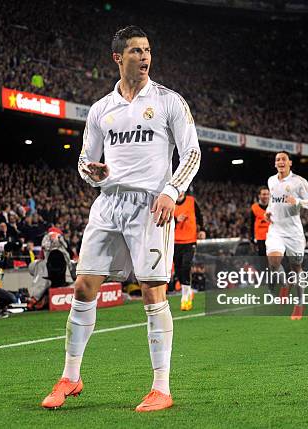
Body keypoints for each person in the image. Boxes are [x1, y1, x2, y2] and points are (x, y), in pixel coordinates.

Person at [41, 26, 201, 413]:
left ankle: (161, 387)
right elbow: (84, 160)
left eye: (147, 50)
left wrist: (171, 191)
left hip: (150, 205)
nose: (144, 57)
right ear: (118, 57)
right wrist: (90, 173)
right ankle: (71, 376)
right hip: (108, 203)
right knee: (82, 287)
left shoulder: (169, 102)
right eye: (135, 51)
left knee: (152, 291)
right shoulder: (101, 109)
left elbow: (191, 153)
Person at [264, 151, 308, 320]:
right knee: (274, 262)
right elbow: (273, 201)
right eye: (277, 159)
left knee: (296, 268)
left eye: (283, 159)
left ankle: (299, 305)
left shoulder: (299, 182)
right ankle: (285, 284)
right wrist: (268, 211)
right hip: (276, 229)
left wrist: (298, 201)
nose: (280, 162)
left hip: (294, 233)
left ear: (290, 163)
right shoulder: (271, 180)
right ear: (275, 164)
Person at [172, 191, 204, 311]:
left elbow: (200, 216)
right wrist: (176, 220)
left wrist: (202, 229)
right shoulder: (170, 202)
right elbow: (164, 220)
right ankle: (188, 290)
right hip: (175, 241)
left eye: (182, 190)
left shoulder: (191, 201)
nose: (180, 192)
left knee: (186, 265)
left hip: (190, 240)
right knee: (178, 268)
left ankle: (185, 295)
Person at [251, 186, 271, 256]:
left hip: (271, 237)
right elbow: (251, 224)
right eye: (264, 194)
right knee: (262, 261)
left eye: (267, 194)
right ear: (259, 196)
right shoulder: (254, 208)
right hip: (260, 238)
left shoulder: (273, 207)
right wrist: (252, 238)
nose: (266, 196)